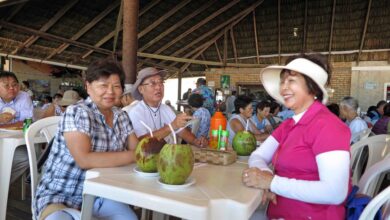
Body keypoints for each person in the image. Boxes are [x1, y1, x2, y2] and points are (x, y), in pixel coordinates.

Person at [242, 53, 351, 219]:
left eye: (291, 80)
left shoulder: (328, 126)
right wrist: (266, 177)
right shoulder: (288, 125)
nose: (283, 87)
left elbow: (335, 192)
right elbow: (258, 155)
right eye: (282, 81)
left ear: (312, 88)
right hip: (279, 211)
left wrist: (271, 183)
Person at [33, 58, 139, 220]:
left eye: (116, 86)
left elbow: (136, 148)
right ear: (88, 87)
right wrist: (136, 155)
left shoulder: (122, 116)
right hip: (60, 194)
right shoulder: (78, 112)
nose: (110, 91)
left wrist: (139, 154)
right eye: (103, 85)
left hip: (101, 193)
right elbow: (84, 159)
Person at [129, 67, 207, 147]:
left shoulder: (166, 109)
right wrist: (171, 126)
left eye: (161, 82)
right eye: (152, 83)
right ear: (141, 89)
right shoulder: (135, 112)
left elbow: (182, 131)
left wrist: (196, 141)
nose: (158, 87)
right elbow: (139, 143)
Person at [0, 70, 33, 184]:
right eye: (6, 85)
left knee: (25, 157)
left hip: (16, 143)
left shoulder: (24, 97)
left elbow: (27, 122)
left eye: (14, 85)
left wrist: (7, 124)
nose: (12, 88)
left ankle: (3, 185)